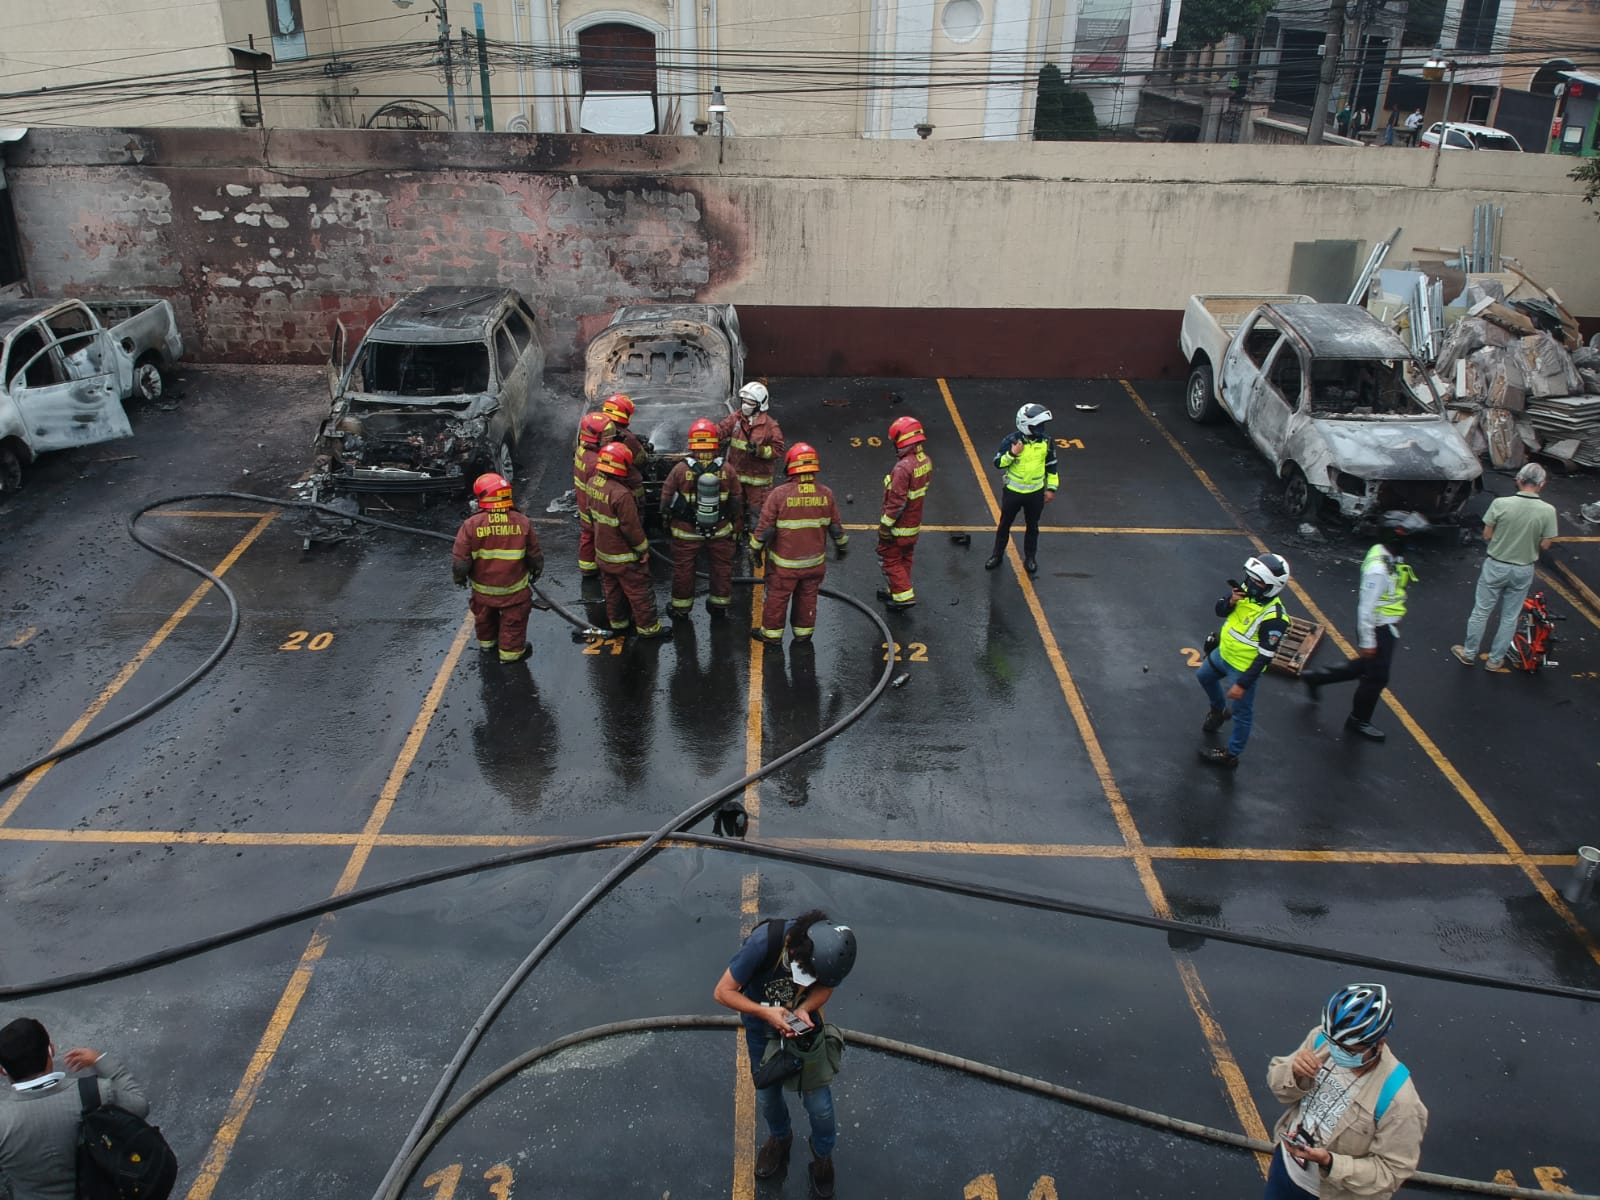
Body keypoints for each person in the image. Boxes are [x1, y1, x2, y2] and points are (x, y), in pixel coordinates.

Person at [713, 911, 857, 1198]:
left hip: (803, 1029)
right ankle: (780, 1138)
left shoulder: (828, 953)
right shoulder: (762, 945)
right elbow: (722, 992)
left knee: (820, 1105)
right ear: (794, 953)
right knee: (768, 1095)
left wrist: (804, 1009)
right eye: (806, 975)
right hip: (761, 1031)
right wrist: (766, 1012)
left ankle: (823, 1156)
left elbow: (825, 988)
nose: (805, 986)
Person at [1263, 984, 1427, 1200]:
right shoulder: (1322, 1039)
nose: (1336, 1051)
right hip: (1286, 1168)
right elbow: (1278, 1086)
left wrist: (1330, 1163)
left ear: (1379, 1043)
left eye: (1349, 1049)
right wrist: (1294, 1072)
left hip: (1331, 1193)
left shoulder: (1400, 1101)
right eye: (1334, 1043)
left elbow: (1391, 1173)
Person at [1301, 512, 1426, 742]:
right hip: (1379, 628)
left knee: (1364, 667)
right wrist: (1368, 642)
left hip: (1386, 625)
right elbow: (1366, 609)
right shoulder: (1378, 571)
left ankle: (1316, 678)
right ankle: (1358, 719)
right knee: (1377, 678)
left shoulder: (1388, 554)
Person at [0, 1017, 153, 1200]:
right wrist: (101, 1060)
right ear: (51, 1049)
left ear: (2, 1070)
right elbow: (140, 1105)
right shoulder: (96, 1093)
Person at [1451, 463, 1558, 673]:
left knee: (1481, 611)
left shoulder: (1500, 504)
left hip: (1496, 565)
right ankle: (1495, 660)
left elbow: (1487, 535)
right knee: (1510, 616)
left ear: (1518, 479)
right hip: (1523, 569)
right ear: (1542, 484)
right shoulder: (1548, 511)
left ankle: (1469, 653)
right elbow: (1546, 544)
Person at [1196, 552, 1292, 769]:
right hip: (1223, 654)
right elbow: (1219, 610)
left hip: (1242, 669)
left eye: (1256, 581)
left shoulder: (1275, 619)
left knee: (1242, 714)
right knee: (1203, 676)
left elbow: (1265, 657)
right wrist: (1230, 600)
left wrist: (1242, 684)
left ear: (1271, 586)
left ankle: (1231, 755)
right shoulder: (1245, 591)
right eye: (1249, 577)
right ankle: (1218, 711)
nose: (1250, 583)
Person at [750, 443, 848, 646]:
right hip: (814, 565)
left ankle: (772, 636)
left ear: (790, 466)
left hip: (784, 566)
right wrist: (841, 547)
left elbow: (765, 529)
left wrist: (754, 549)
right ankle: (803, 634)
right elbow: (836, 528)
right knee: (807, 598)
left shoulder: (779, 494)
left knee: (777, 599)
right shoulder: (826, 494)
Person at [451, 472, 544, 664]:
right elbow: (534, 555)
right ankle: (511, 653)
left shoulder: (471, 525)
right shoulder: (522, 522)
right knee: (513, 621)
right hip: (514, 590)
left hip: (483, 590)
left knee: (484, 616)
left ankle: (487, 644)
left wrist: (459, 579)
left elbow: (461, 561)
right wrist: (536, 571)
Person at [660, 417, 742, 619]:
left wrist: (666, 520)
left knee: (683, 570)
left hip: (686, 531)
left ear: (692, 444)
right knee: (722, 568)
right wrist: (737, 524)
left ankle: (681, 608)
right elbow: (737, 500)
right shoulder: (727, 469)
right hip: (720, 530)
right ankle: (719, 606)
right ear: (716, 444)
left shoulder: (680, 469)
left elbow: (666, 497)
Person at [589, 441, 671, 640]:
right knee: (639, 591)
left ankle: (619, 623)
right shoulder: (621, 495)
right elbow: (631, 528)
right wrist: (642, 550)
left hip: (603, 553)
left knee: (613, 590)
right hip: (624, 556)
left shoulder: (593, 483)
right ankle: (649, 629)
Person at [985, 404, 1058, 576]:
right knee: (1004, 525)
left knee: (1033, 527)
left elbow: (1052, 466)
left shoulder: (1047, 442)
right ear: (1025, 424)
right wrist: (1012, 453)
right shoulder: (1010, 441)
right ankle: (997, 555)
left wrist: (1051, 488)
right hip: (1013, 493)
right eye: (1037, 426)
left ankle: (1030, 558)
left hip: (1035, 494)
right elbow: (997, 463)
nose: (1041, 429)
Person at [877, 415, 934, 612]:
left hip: (899, 527)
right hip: (913, 524)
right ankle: (897, 589)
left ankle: (903, 596)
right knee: (904, 558)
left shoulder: (903, 468)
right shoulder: (925, 461)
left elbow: (897, 502)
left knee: (889, 558)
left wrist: (885, 525)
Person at [718, 382, 785, 533]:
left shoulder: (770, 426)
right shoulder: (736, 419)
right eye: (744, 401)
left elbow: (778, 450)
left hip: (758, 482)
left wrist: (760, 451)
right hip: (736, 478)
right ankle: (736, 537)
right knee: (734, 510)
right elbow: (721, 430)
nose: (745, 405)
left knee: (758, 514)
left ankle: (757, 544)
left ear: (760, 405)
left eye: (750, 402)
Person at [573, 411, 618, 578]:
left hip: (584, 502)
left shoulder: (582, 450)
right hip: (592, 506)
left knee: (587, 535)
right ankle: (596, 570)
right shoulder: (595, 462)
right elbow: (600, 488)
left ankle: (588, 569)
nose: (610, 438)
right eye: (606, 435)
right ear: (596, 437)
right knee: (597, 535)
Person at [602, 392, 649, 501]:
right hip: (625, 487)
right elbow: (641, 460)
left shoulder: (600, 429)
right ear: (625, 414)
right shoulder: (628, 439)